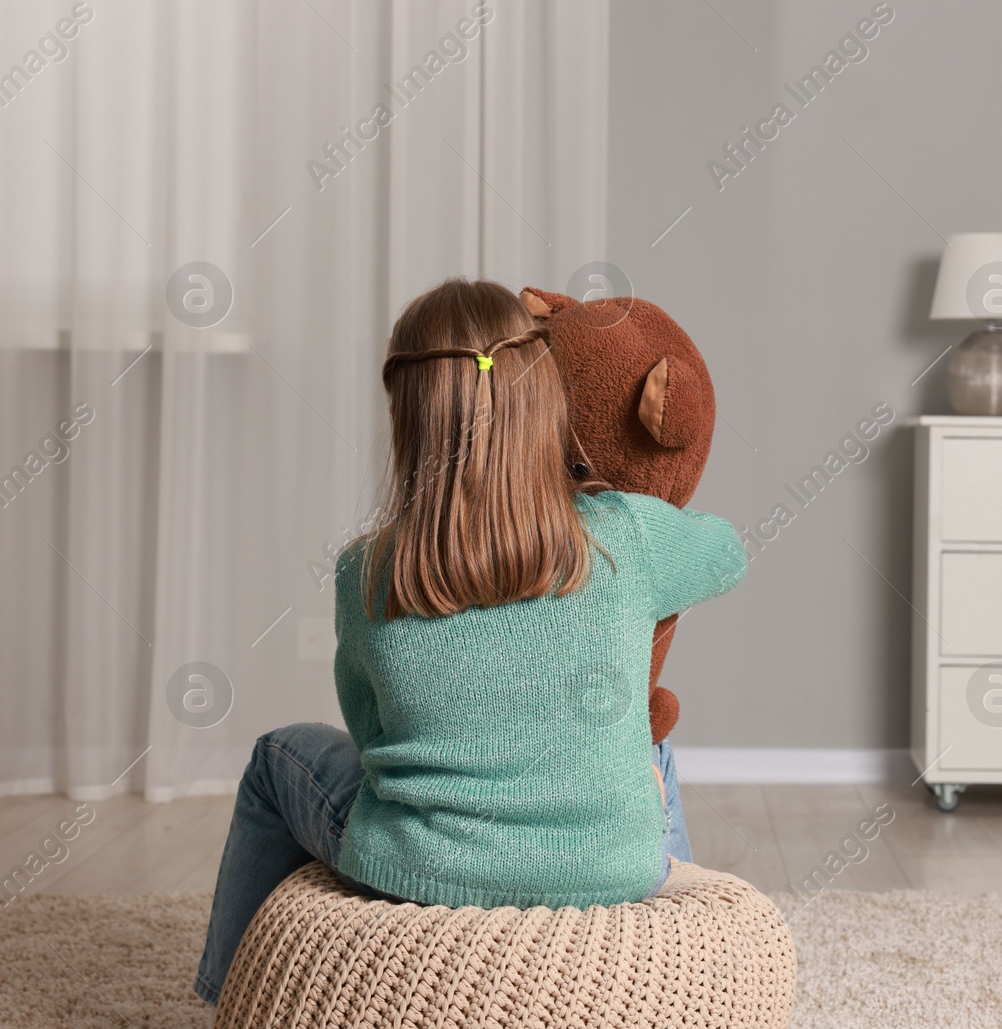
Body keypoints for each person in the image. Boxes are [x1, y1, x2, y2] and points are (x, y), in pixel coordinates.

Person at [193, 278, 746, 1008]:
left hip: (413, 869)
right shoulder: (626, 536)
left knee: (277, 757)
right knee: (648, 737)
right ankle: (662, 978)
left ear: (407, 419)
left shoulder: (365, 571)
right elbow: (728, 551)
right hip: (612, 870)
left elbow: (373, 734)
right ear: (547, 397)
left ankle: (223, 998)